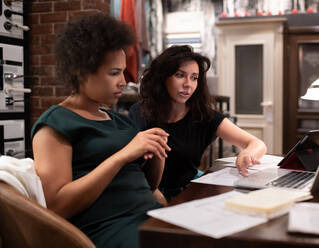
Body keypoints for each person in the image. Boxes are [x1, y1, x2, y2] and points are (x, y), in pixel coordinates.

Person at [31, 13, 171, 248]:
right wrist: (123, 155)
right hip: (110, 229)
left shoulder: (120, 120)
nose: (123, 82)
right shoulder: (56, 124)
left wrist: (156, 154)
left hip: (152, 217)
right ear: (81, 72)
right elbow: (56, 206)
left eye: (123, 72)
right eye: (114, 73)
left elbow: (149, 185)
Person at [129, 45, 267, 201]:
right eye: (180, 75)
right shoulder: (141, 112)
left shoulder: (204, 116)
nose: (188, 84)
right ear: (163, 77)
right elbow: (132, 166)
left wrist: (247, 153)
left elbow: (257, 143)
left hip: (189, 190)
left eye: (194, 78)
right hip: (147, 193)